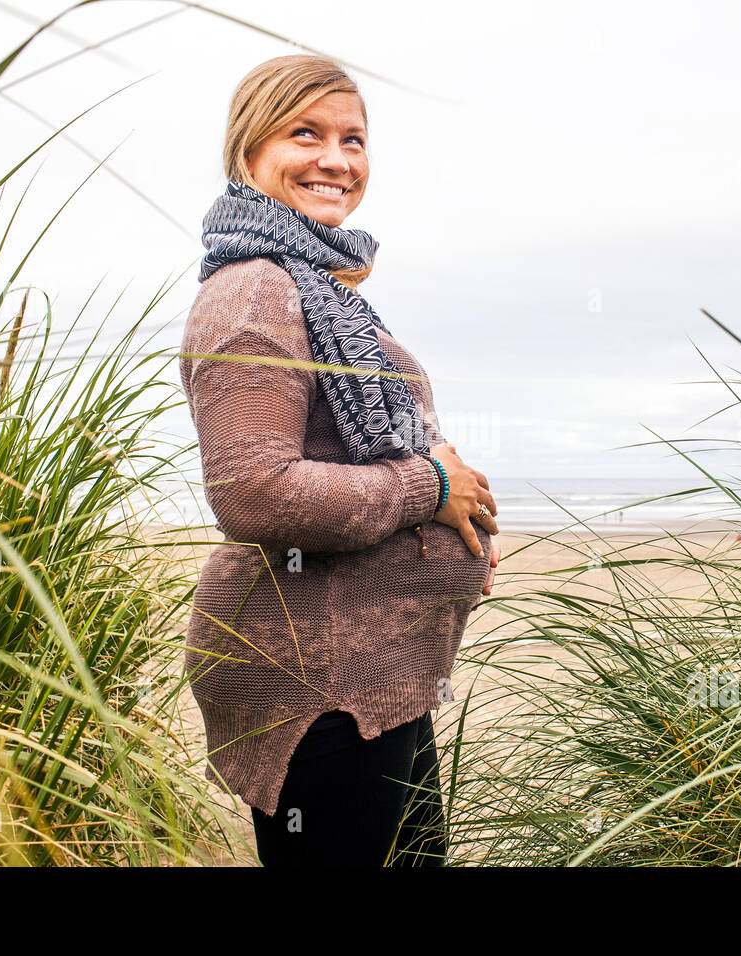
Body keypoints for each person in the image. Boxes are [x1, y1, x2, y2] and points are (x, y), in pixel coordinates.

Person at [180, 53, 501, 867]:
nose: (337, 159)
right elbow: (255, 493)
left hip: (371, 675)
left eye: (353, 139)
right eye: (305, 133)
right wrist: (430, 488)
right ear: (247, 151)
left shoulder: (317, 285)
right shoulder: (255, 291)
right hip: (320, 683)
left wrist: (447, 529)